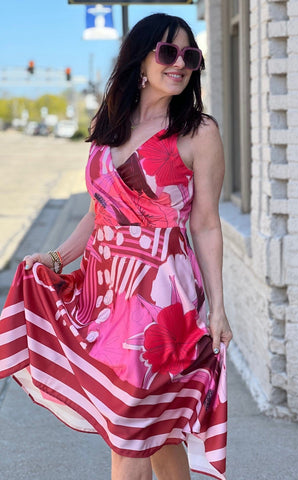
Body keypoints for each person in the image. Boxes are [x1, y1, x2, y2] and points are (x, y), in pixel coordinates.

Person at [0, 13, 232, 480]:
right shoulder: (108, 125)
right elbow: (98, 210)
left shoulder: (197, 131)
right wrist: (57, 257)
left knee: (128, 432)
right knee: (156, 436)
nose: (180, 64)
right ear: (139, 60)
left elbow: (206, 224)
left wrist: (219, 308)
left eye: (191, 55)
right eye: (168, 52)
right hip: (103, 293)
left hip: (161, 299)